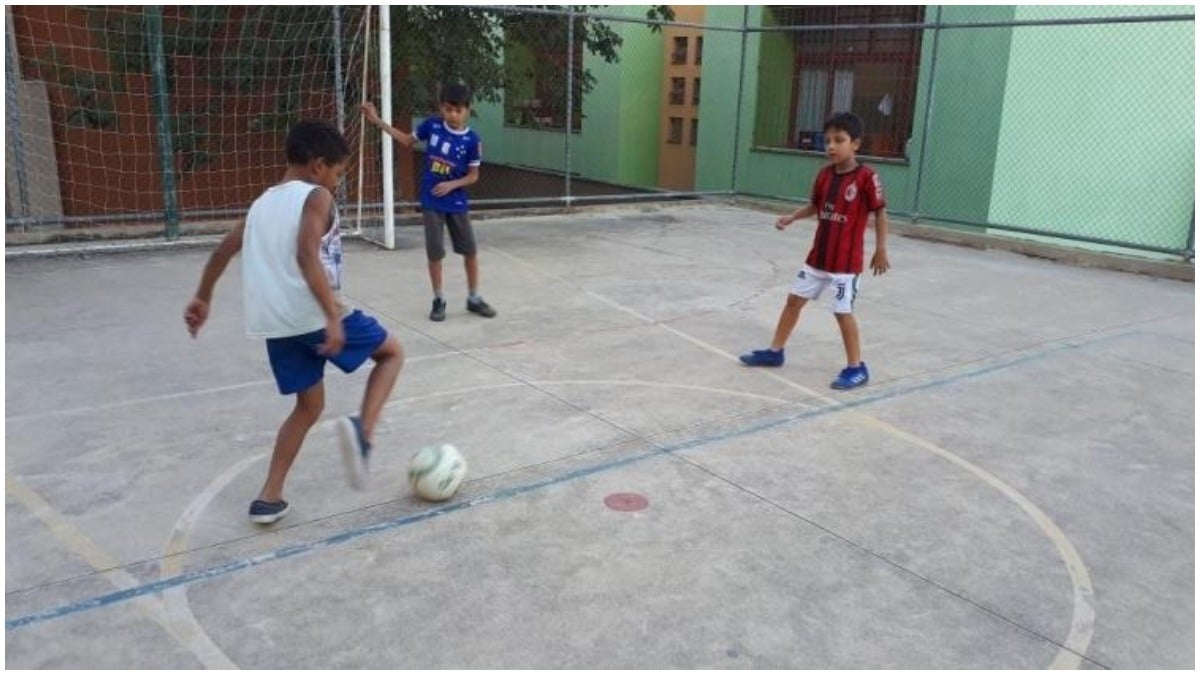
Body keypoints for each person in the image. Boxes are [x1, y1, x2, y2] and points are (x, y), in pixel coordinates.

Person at [184, 120, 405, 525]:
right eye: (338, 173)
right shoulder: (316, 196)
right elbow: (306, 253)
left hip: (275, 323)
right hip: (311, 312)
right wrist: (330, 316)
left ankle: (269, 496)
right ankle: (363, 432)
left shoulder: (262, 203)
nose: (337, 183)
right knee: (391, 353)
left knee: (308, 405)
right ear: (319, 166)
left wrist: (203, 296)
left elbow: (222, 251)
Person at [739, 112, 890, 390]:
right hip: (818, 259)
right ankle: (775, 352)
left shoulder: (867, 178)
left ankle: (856, 368)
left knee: (842, 312)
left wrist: (881, 249)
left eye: (839, 140)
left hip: (845, 264)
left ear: (855, 144)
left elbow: (880, 212)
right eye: (828, 140)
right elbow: (815, 207)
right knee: (793, 301)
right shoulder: (824, 176)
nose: (831, 146)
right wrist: (792, 217)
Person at [361, 83, 497, 322]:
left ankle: (474, 297)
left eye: (458, 110)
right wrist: (376, 120)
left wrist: (451, 185)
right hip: (432, 202)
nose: (452, 115)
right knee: (435, 253)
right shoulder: (432, 126)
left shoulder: (472, 141)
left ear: (467, 110)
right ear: (441, 108)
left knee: (470, 251)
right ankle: (438, 299)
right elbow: (405, 140)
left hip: (456, 203)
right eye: (447, 109)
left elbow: (473, 176)